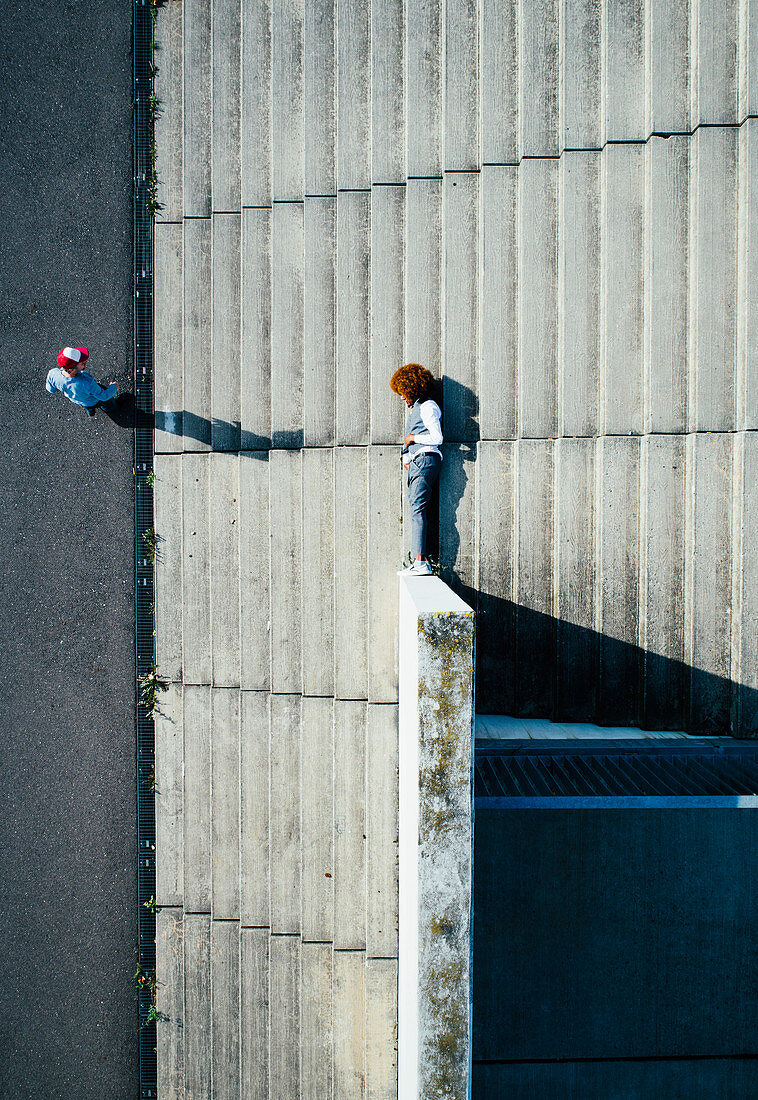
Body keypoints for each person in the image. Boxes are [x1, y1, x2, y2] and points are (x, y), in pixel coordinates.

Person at [390, 363, 443, 576]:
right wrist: (406, 455)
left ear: (412, 388)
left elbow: (437, 438)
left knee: (417, 510)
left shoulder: (428, 407)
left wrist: (413, 439)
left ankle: (421, 563)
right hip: (418, 461)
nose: (402, 397)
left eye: (403, 392)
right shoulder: (417, 409)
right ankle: (420, 561)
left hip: (425, 459)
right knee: (417, 509)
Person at [46, 346, 119, 418]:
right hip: (94, 400)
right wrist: (114, 387)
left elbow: (51, 390)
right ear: (71, 369)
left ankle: (91, 413)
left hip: (80, 401)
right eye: (82, 363)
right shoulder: (87, 383)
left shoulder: (53, 373)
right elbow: (104, 396)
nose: (86, 361)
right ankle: (111, 410)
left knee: (88, 406)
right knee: (107, 403)